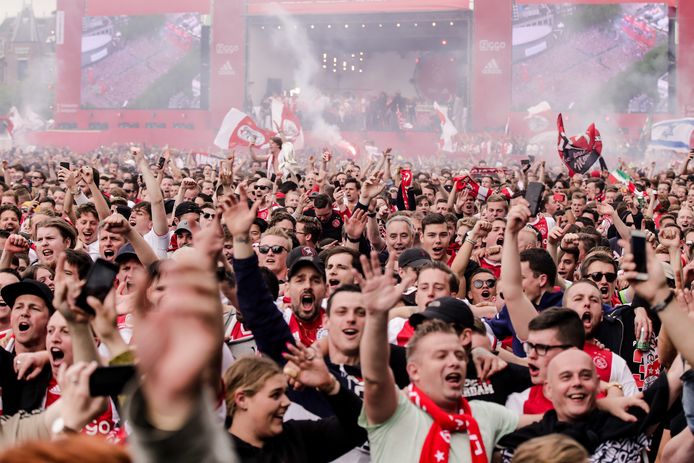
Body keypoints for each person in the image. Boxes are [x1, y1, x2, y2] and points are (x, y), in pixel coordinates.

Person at [358, 251, 535, 463]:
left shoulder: (483, 412)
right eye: (439, 355)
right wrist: (376, 318)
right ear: (413, 369)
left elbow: (553, 416)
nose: (452, 363)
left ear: (465, 340)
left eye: (458, 356)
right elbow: (375, 372)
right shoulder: (398, 410)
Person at [495, 349, 683, 462]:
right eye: (566, 377)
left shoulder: (626, 421)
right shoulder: (522, 443)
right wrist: (479, 353)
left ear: (597, 384)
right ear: (549, 389)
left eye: (585, 376)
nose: (577, 382)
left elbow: (676, 376)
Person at [225, 351, 366, 462]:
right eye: (275, 395)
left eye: (285, 393)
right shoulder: (216, 455)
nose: (287, 402)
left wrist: (329, 385)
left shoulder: (296, 438)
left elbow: (360, 428)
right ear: (242, 399)